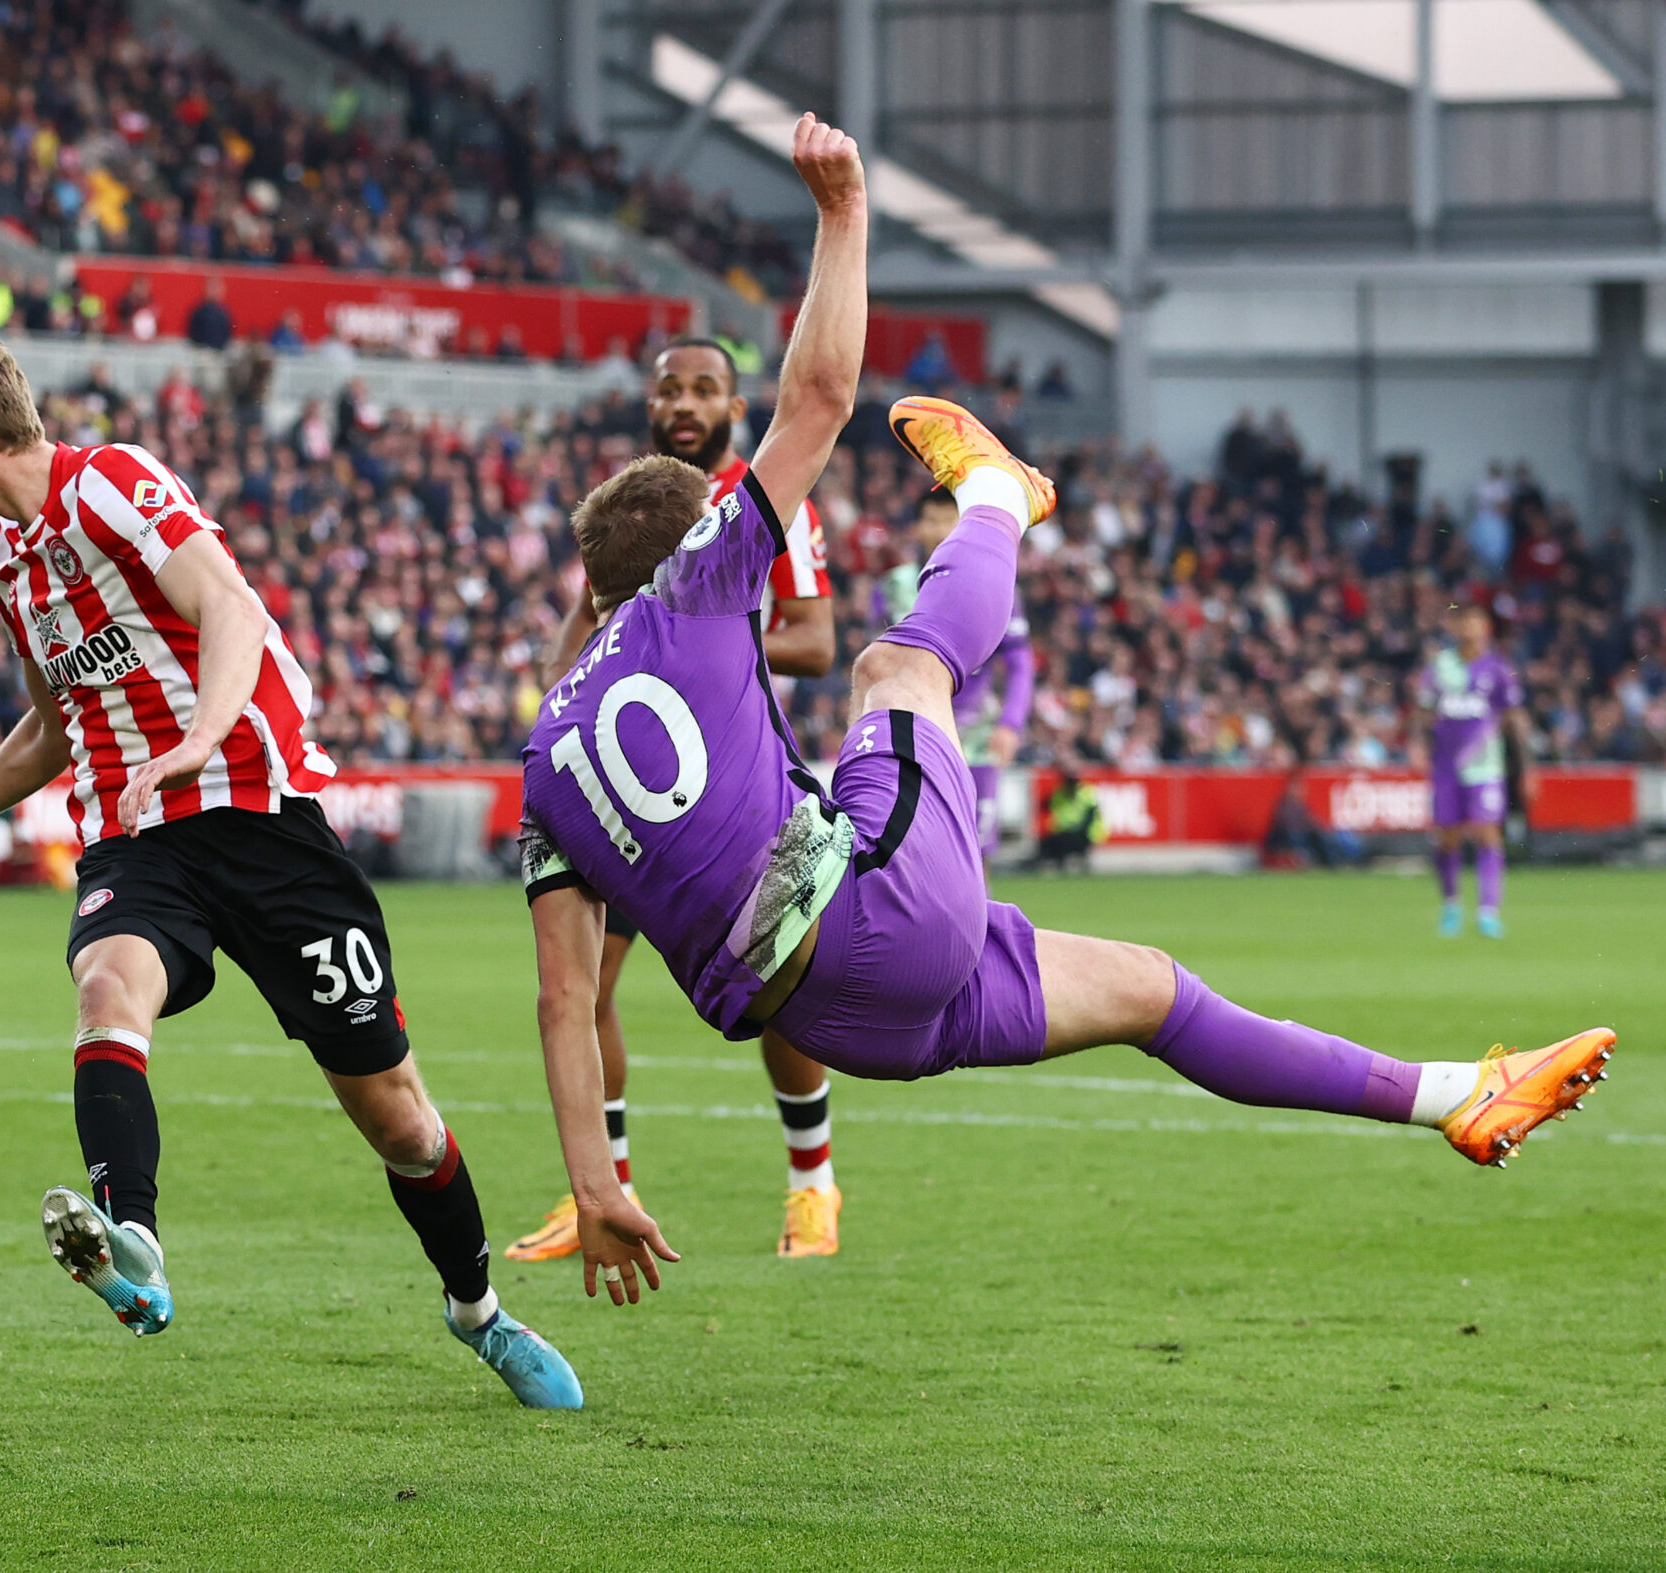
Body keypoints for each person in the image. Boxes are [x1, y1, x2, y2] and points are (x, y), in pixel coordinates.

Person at [517, 111, 1614, 1309]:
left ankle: (1454, 1093)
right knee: (895, 671)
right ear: (689, 549)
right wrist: (842, 211)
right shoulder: (699, 579)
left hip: (844, 1024)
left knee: (1149, 985)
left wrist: (592, 1181)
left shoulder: (537, 766)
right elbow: (821, 396)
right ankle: (998, 495)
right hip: (877, 916)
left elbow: (566, 998)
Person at [0, 334, 583, 1408]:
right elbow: (54, 728)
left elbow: (231, 606)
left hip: (261, 820)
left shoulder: (114, 482)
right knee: (106, 987)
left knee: (397, 1117)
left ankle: (475, 1306)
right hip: (138, 834)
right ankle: (133, 1238)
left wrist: (199, 735)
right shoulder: (16, 569)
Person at [506, 331, 843, 1265]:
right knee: (589, 985)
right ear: (650, 406)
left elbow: (815, 640)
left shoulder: (760, 505)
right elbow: (570, 647)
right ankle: (602, 1191)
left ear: (737, 410)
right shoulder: (636, 513)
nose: (685, 404)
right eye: (670, 390)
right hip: (626, 790)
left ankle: (813, 1184)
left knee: (779, 988)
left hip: (733, 782)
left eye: (705, 390)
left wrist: (694, 623)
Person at [888, 489, 1031, 867]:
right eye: (930, 519)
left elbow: (1019, 660)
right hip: (913, 731)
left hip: (976, 736)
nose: (937, 529)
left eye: (947, 519)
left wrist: (1010, 723)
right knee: (913, 849)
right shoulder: (892, 587)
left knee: (974, 853)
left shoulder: (994, 581)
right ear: (917, 527)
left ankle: (979, 926)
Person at [1415, 603, 1531, 938]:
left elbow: (1513, 717)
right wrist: (1418, 744)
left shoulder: (1498, 668)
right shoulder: (1441, 666)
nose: (1470, 628)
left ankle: (1488, 912)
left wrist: (1526, 767)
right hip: (1446, 765)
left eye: (1476, 622)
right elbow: (1423, 710)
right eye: (1464, 622)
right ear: (1454, 626)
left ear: (1486, 628)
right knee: (1448, 835)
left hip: (1486, 765)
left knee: (1487, 831)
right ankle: (1451, 905)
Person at [1035, 769, 1105, 871]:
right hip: (1063, 833)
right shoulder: (1060, 792)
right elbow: (1047, 804)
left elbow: (1091, 816)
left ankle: (1075, 863)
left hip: (1083, 834)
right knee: (1046, 844)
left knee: (1065, 843)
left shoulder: (1086, 793)